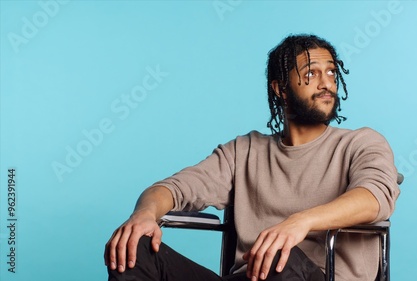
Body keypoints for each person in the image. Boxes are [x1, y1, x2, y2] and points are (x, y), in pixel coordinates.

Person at [104, 34, 400, 281]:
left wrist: (300, 222)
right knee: (132, 247)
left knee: (280, 259)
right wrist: (143, 215)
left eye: (331, 72)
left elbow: (375, 197)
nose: (326, 83)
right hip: (248, 276)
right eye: (311, 74)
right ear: (280, 89)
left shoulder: (361, 142)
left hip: (309, 275)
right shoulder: (244, 150)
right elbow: (174, 187)